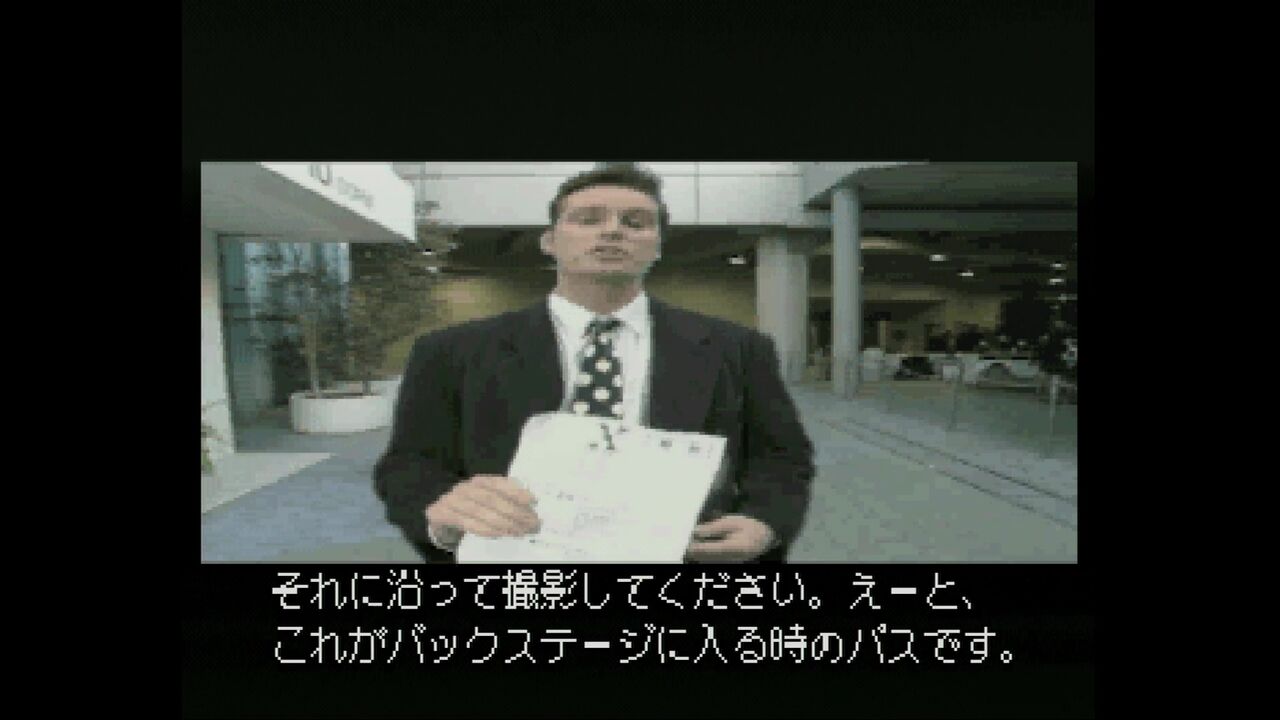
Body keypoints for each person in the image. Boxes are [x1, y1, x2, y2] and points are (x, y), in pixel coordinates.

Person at [373, 163, 815, 563]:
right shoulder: (450, 352)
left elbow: (781, 458)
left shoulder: (738, 348)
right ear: (549, 241)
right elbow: (410, 465)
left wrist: (765, 523)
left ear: (658, 245)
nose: (613, 231)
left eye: (635, 223)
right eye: (588, 219)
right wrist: (441, 514)